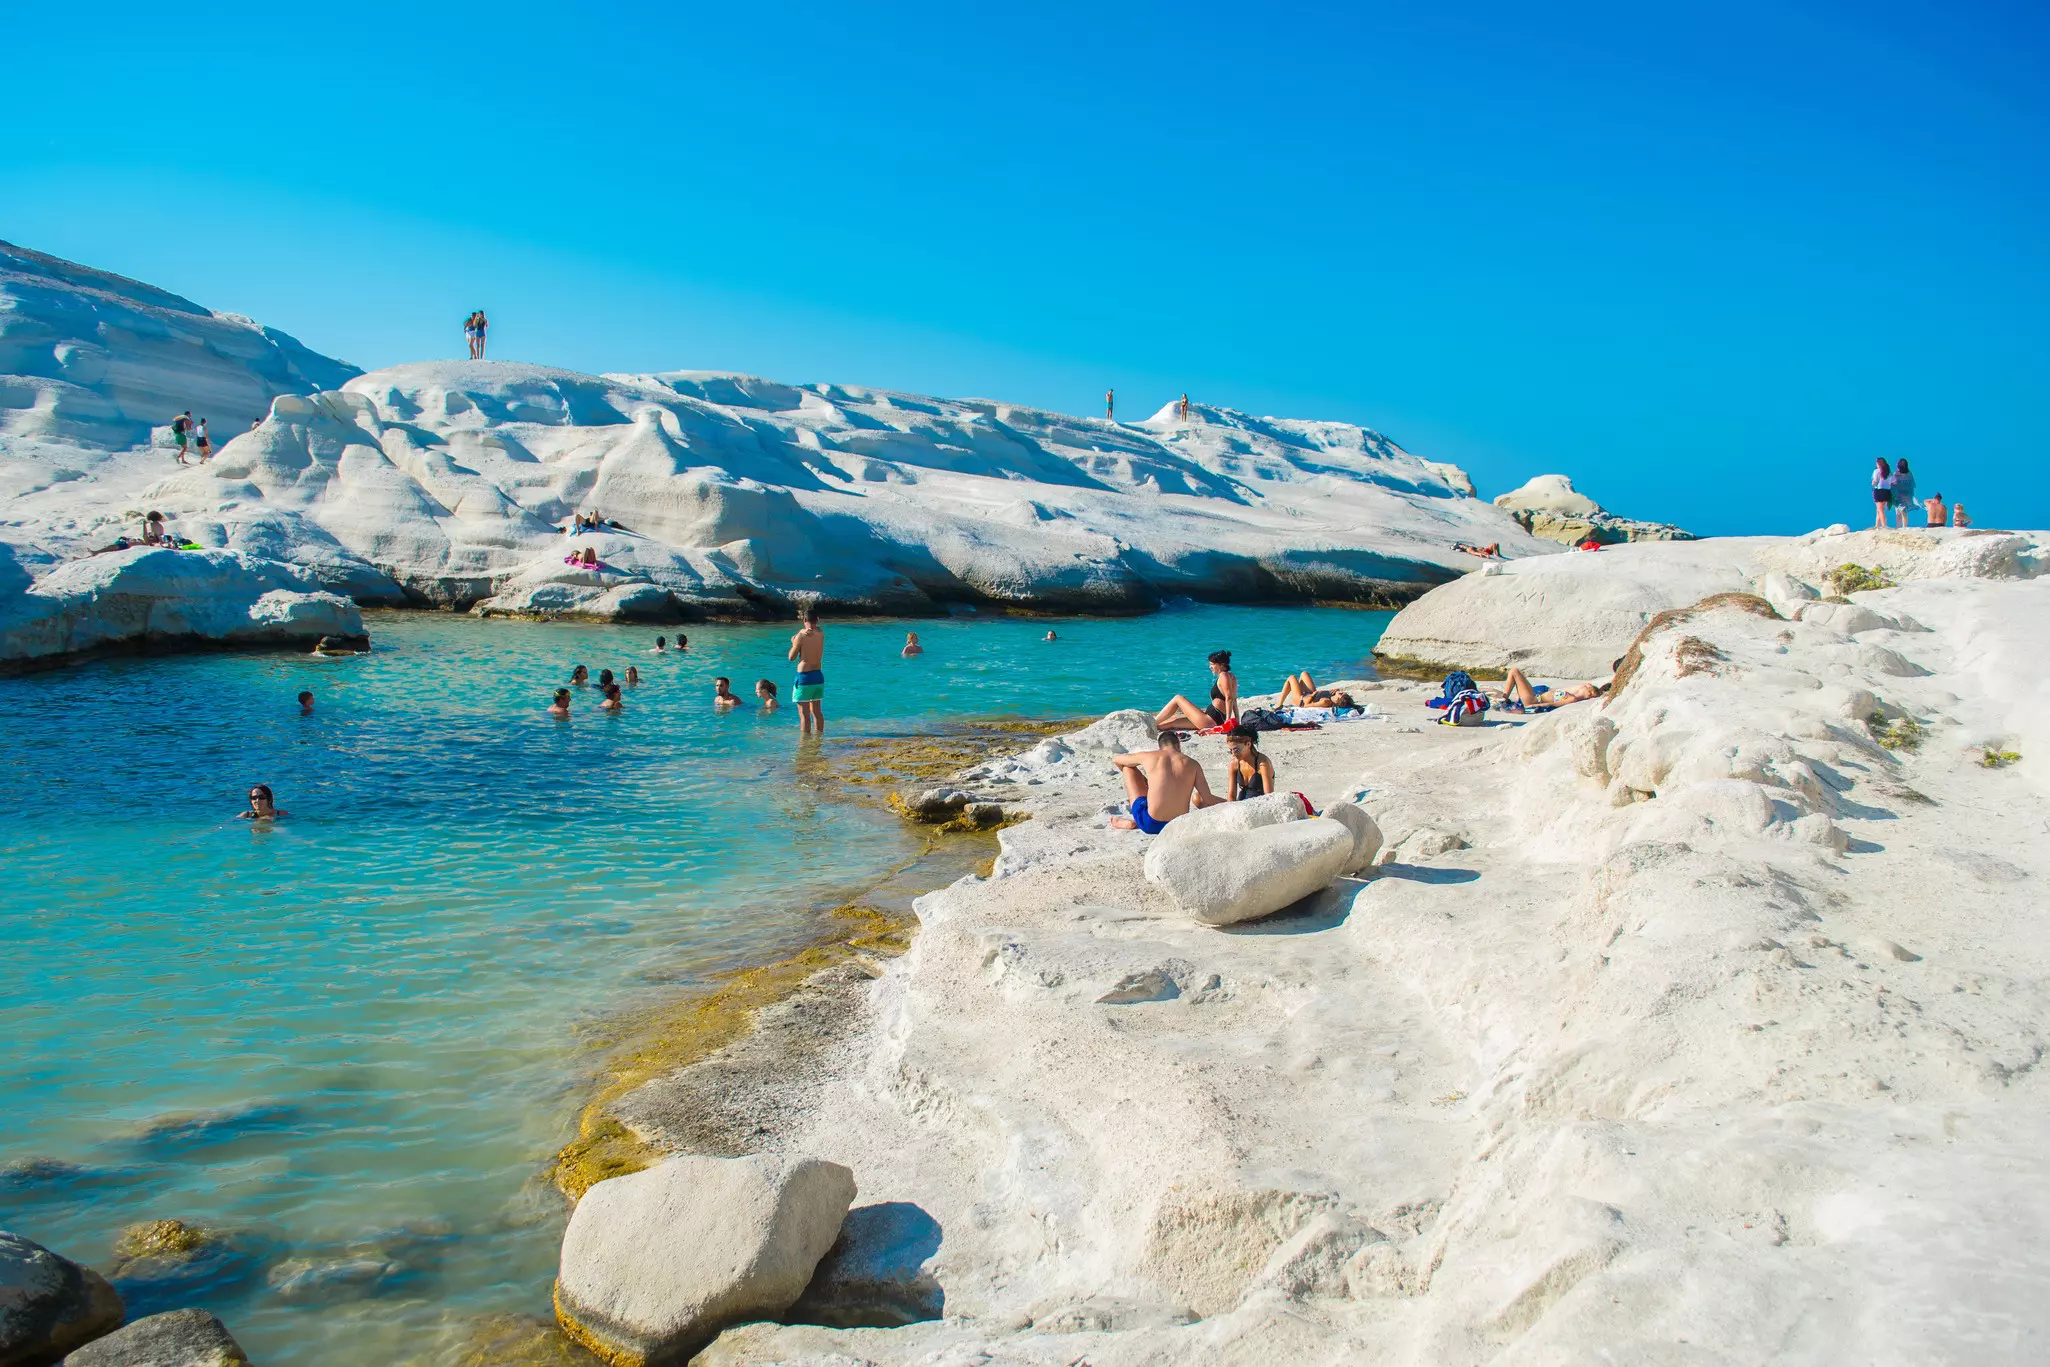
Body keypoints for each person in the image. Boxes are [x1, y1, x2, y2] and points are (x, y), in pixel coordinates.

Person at [1109, 731, 1219, 832]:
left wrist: (1142, 781)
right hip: (1178, 825)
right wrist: (1231, 802)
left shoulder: (1150, 756)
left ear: (1159, 747)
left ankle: (1134, 821)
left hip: (1150, 824)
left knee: (1128, 768)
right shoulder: (1193, 764)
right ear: (1179, 745)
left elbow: (1116, 759)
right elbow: (1208, 798)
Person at [1155, 650, 1238, 731]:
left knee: (1178, 698)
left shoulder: (1223, 675)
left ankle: (1152, 723)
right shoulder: (1231, 676)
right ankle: (1153, 727)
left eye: (1212, 664)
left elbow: (1229, 698)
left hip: (1208, 721)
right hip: (1211, 719)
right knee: (1173, 722)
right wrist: (1237, 720)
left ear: (1221, 664)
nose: (1210, 667)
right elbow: (1234, 699)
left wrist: (1227, 722)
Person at [1493, 663, 1613, 712]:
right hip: (1540, 692)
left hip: (1534, 699)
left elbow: (1551, 705)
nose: (1586, 690)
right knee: (1511, 679)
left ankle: (1504, 698)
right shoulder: (1581, 690)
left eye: (1588, 692)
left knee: (1514, 672)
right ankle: (1504, 698)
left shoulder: (1572, 698)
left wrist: (1533, 706)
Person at [788, 606, 826, 735]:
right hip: (818, 676)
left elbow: (791, 657)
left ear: (804, 619)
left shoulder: (801, 636)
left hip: (804, 678)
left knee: (804, 714)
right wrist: (798, 635)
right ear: (818, 620)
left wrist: (794, 642)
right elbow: (812, 631)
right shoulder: (820, 633)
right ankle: (819, 738)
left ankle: (805, 745)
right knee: (816, 711)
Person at [1224, 727, 1276, 801]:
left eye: (1236, 750)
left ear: (1248, 744)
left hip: (1260, 804)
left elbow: (1269, 796)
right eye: (1230, 750)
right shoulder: (1234, 764)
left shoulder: (1262, 763)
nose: (1233, 754)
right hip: (1241, 805)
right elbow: (1231, 796)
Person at [1277, 672, 1355, 709]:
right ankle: (1298, 689)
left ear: (1338, 699)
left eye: (1341, 694)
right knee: (1304, 674)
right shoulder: (1333, 695)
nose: (1341, 692)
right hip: (1310, 693)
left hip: (1301, 700)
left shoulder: (1326, 701)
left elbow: (1306, 705)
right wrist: (1336, 690)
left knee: (1292, 677)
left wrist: (1313, 694)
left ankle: (1279, 704)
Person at [1890, 458, 1917, 529]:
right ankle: (1900, 527)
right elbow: (1912, 485)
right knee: (1900, 512)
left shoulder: (1896, 474)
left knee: (1901, 512)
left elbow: (1893, 484)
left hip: (1899, 496)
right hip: (1907, 495)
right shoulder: (1909, 474)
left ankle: (1903, 527)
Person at [1871, 458, 1894, 529]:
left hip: (1879, 491)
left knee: (1880, 509)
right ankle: (1877, 525)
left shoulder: (1876, 471)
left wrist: (1873, 483)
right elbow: (1893, 482)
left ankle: (1884, 525)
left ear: (1878, 464)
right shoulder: (1889, 472)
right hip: (1887, 491)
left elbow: (1875, 481)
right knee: (1879, 508)